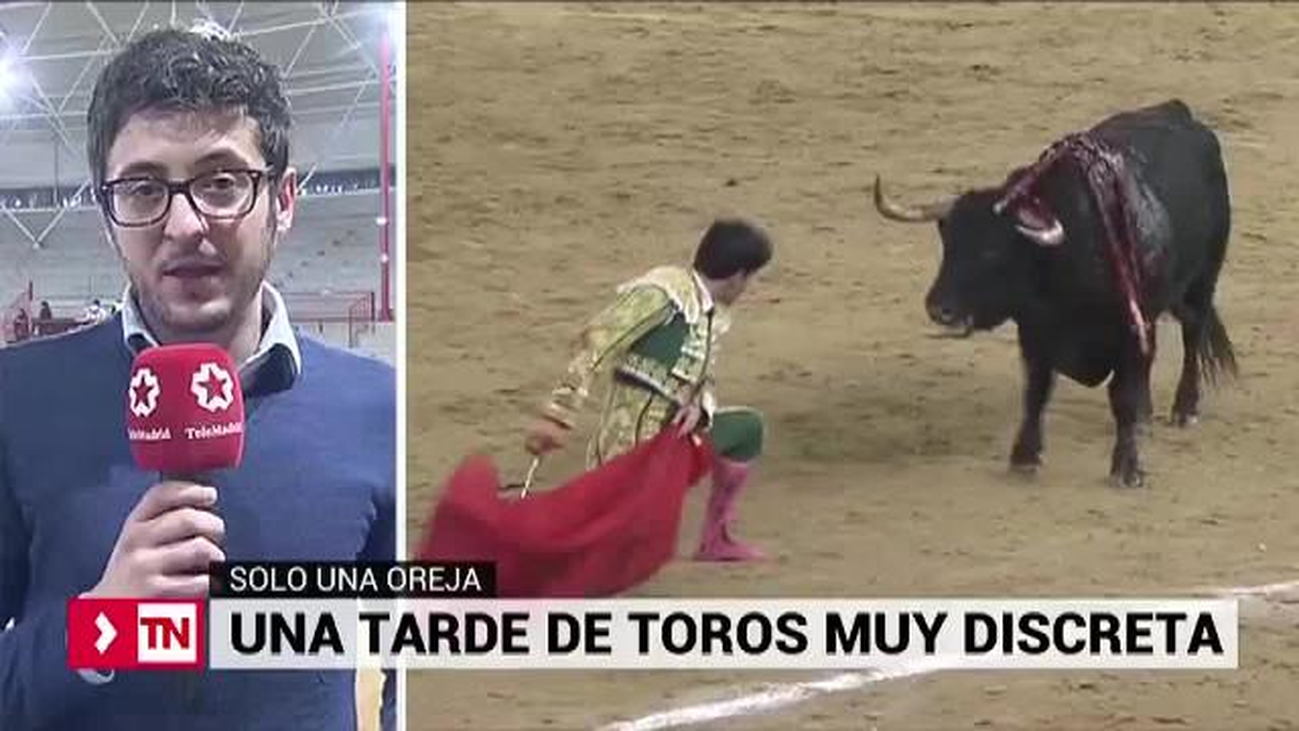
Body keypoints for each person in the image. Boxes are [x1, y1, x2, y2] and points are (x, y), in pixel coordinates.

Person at [0, 28, 395, 731]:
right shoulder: (15, 400)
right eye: (144, 188)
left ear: (284, 201)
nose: (184, 223)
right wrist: (99, 628)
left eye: (221, 181)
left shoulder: (379, 411)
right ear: (106, 215)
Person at [525, 219, 773, 561]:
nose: (752, 286)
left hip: (674, 442)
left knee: (747, 429)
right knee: (601, 545)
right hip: (629, 451)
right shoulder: (661, 294)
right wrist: (557, 415)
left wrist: (700, 404)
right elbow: (594, 343)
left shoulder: (710, 310)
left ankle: (717, 539)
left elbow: (700, 373)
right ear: (737, 276)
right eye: (753, 276)